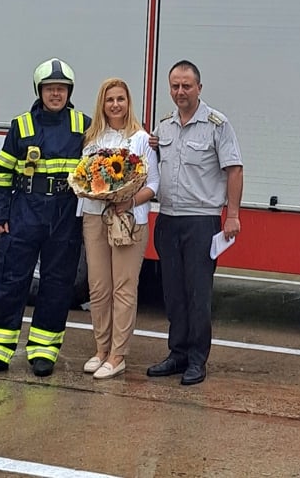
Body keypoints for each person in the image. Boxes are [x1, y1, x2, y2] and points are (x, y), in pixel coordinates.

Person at [0, 58, 90, 379]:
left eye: (61, 89)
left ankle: (43, 351)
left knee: (57, 284)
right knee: (10, 280)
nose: (56, 94)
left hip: (65, 213)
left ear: (69, 92)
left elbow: (103, 161)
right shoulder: (21, 126)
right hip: (25, 210)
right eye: (50, 89)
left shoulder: (83, 125)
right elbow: (1, 173)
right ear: (39, 91)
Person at [147, 60, 243, 386]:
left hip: (201, 221)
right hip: (169, 219)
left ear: (199, 88)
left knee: (197, 295)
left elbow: (234, 170)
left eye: (186, 85)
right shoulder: (163, 127)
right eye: (175, 86)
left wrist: (232, 215)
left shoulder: (217, 125)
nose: (180, 92)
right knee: (173, 293)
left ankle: (197, 360)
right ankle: (177, 354)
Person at [77, 78, 160, 380]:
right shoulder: (92, 140)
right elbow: (83, 177)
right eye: (109, 99)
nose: (115, 105)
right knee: (99, 288)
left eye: (120, 99)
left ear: (129, 102)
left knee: (124, 288)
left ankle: (117, 355)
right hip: (94, 217)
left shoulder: (140, 139)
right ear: (102, 103)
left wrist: (129, 202)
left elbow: (153, 184)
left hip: (128, 220)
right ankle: (100, 349)